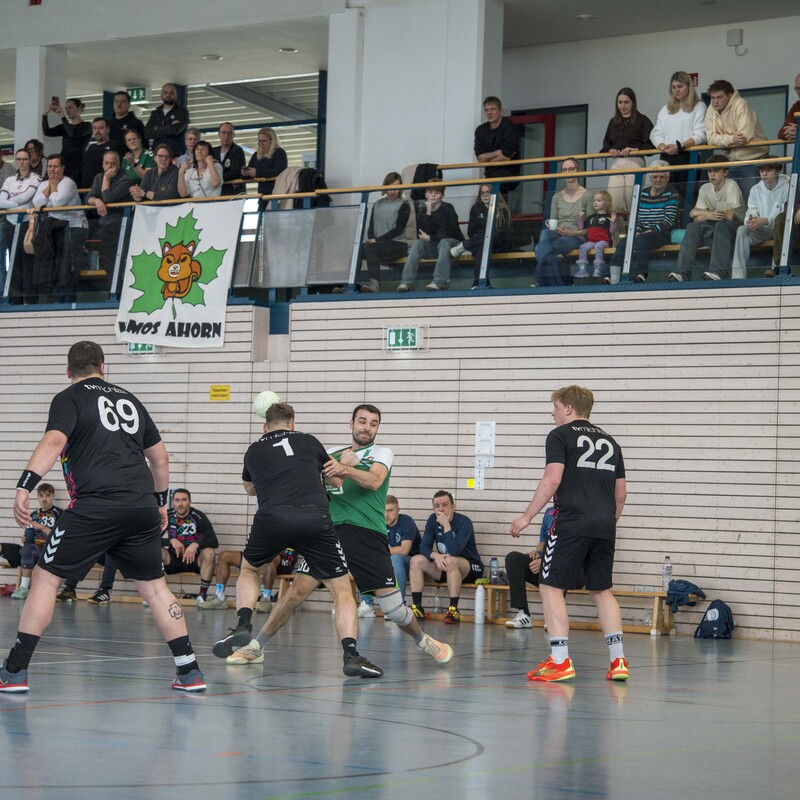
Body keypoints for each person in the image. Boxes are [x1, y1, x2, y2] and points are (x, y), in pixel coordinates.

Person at [0, 340, 205, 693]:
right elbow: (160, 458)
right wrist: (160, 503)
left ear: (69, 371)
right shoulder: (130, 400)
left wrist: (24, 485)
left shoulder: (69, 398)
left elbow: (54, 442)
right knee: (155, 589)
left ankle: (14, 672)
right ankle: (190, 672)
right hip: (141, 507)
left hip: (95, 506)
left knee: (46, 579)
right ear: (103, 367)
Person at [219, 404, 453, 671]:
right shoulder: (328, 453)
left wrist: (343, 468)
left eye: (373, 423)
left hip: (367, 533)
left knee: (394, 610)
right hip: (328, 531)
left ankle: (423, 640)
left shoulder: (381, 453)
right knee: (295, 592)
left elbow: (374, 481)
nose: (367, 427)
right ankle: (255, 647)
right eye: (362, 421)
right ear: (350, 424)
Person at [212, 401, 384, 678]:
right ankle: (351, 654)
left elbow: (249, 489)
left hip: (272, 518)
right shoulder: (309, 441)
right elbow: (337, 482)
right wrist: (341, 465)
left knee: (249, 568)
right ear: (293, 424)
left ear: (264, 427)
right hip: (313, 517)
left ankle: (243, 623)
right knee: (341, 589)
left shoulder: (253, 450)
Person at [510, 385, 628, 683]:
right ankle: (618, 661)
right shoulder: (611, 442)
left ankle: (561, 661)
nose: (552, 413)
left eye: (555, 406)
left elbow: (552, 480)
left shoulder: (560, 435)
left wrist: (527, 516)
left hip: (572, 523)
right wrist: (606, 522)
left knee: (550, 585)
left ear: (568, 408)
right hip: (605, 526)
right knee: (601, 589)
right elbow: (621, 494)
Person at [408, 491, 483, 623]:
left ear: (453, 506)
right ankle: (417, 608)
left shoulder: (464, 522)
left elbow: (454, 550)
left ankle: (453, 610)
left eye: (445, 505)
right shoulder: (432, 520)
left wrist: (446, 525)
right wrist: (436, 556)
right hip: (445, 566)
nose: (441, 509)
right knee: (416, 560)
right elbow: (424, 547)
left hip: (471, 567)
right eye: (437, 506)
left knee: (451, 560)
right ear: (433, 508)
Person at [669, 154, 745, 282]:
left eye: (716, 171)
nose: (712, 174)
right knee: (692, 227)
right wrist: (708, 214)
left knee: (722, 224)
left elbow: (728, 216)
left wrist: (701, 213)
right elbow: (695, 218)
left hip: (736, 227)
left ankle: (719, 272)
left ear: (725, 172)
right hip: (714, 224)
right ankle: (682, 273)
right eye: (709, 171)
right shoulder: (705, 188)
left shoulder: (731, 185)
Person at [608, 161, 680, 283]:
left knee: (641, 239)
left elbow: (669, 220)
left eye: (662, 177)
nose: (658, 180)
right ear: (650, 178)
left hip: (661, 234)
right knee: (624, 242)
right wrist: (637, 231)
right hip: (642, 232)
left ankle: (641, 274)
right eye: (655, 177)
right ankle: (611, 277)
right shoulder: (643, 193)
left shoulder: (672, 193)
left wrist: (648, 231)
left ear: (668, 178)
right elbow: (637, 218)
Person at [29, 153, 88, 301]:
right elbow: (37, 203)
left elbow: (57, 204)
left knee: (68, 267)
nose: (52, 170)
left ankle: (69, 302)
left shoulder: (68, 183)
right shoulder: (44, 184)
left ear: (62, 168)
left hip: (74, 227)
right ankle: (58, 301)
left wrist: (53, 186)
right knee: (55, 267)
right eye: (50, 166)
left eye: (55, 166)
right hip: (55, 229)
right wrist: (50, 186)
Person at [533, 158, 593, 287]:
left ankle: (542, 282)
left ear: (578, 170)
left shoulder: (587, 195)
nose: (568, 172)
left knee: (539, 248)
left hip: (576, 236)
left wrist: (572, 233)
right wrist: (556, 228)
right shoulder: (557, 197)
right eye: (565, 170)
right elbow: (552, 223)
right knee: (545, 233)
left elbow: (593, 228)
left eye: (571, 169)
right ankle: (560, 283)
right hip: (558, 233)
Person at [705, 79, 768, 197]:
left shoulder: (740, 104)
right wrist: (731, 139)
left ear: (729, 96)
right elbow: (710, 138)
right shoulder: (710, 109)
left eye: (719, 97)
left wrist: (723, 141)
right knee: (733, 202)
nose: (715, 102)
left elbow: (743, 137)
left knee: (752, 200)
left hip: (752, 161)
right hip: (730, 162)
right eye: (713, 98)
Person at [0, 483, 63, 600]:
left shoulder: (59, 514)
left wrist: (42, 527)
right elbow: (28, 537)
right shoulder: (33, 515)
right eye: (41, 496)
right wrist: (24, 538)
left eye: (48, 495)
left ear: (53, 496)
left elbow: (61, 537)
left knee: (27, 550)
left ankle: (23, 588)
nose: (44, 499)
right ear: (37, 497)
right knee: (5, 548)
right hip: (31, 550)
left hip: (48, 551)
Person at [398, 181, 463, 291]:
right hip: (435, 246)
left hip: (453, 245)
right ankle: (407, 282)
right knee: (418, 243)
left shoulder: (448, 208)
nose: (433, 195)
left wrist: (430, 238)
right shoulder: (423, 210)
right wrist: (428, 212)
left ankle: (440, 282)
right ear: (426, 194)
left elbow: (450, 232)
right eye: (430, 192)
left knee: (444, 242)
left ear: (442, 195)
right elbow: (422, 234)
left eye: (437, 193)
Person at [651, 72, 707, 197]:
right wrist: (662, 146)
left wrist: (680, 146)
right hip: (666, 157)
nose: (676, 90)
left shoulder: (699, 106)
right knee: (666, 196)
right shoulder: (666, 109)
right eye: (674, 87)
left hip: (688, 156)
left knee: (686, 197)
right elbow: (656, 132)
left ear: (689, 86)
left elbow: (701, 134)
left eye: (680, 86)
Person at [600, 88, 653, 218]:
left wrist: (636, 149)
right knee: (613, 200)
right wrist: (610, 150)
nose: (622, 106)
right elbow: (606, 144)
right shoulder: (613, 122)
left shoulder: (642, 120)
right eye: (620, 102)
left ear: (633, 103)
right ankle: (617, 229)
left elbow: (652, 145)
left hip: (634, 162)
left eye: (626, 102)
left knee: (631, 198)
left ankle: (633, 227)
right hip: (617, 163)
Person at [731, 163, 790, 279]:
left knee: (781, 225)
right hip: (762, 229)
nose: (764, 174)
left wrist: (765, 220)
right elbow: (750, 211)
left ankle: (775, 270)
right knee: (742, 230)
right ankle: (738, 276)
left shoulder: (787, 188)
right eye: (761, 171)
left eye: (768, 170)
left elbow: (785, 216)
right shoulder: (755, 189)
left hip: (780, 228)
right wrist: (750, 221)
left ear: (777, 171)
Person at [162, 488, 219, 606]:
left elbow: (214, 541)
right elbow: (150, 539)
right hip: (173, 560)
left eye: (184, 500)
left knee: (210, 552)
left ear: (190, 502)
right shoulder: (166, 516)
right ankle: (158, 594)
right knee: (154, 551)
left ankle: (202, 595)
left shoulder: (198, 516)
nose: (180, 503)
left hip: (195, 560)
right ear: (173, 502)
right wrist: (171, 541)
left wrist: (196, 544)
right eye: (177, 500)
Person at [354, 171, 409, 293]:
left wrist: (377, 241)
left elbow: (398, 229)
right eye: (390, 187)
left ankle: (375, 284)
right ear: (385, 186)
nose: (393, 191)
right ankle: (351, 284)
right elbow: (371, 226)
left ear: (401, 188)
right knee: (357, 249)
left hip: (398, 244)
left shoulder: (404, 204)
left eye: (396, 187)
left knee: (371, 248)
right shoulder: (377, 204)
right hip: (378, 245)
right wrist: (372, 239)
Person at [450, 184, 512, 288]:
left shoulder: (502, 209)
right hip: (481, 243)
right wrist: (483, 238)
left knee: (489, 238)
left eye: (488, 192)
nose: (485, 195)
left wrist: (486, 237)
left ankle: (465, 245)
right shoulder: (476, 208)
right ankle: (483, 283)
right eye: (482, 193)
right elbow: (471, 231)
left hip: (499, 245)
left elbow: (503, 232)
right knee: (482, 246)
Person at [0, 150, 41, 296]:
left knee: (28, 261)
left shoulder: (35, 178)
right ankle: (16, 300)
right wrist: (17, 204)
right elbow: (1, 201)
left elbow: (27, 197)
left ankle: (30, 300)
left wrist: (10, 202)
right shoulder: (10, 180)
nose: (21, 162)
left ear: (30, 160)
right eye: (18, 159)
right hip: (11, 223)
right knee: (14, 262)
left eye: (24, 159)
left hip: (27, 224)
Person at [504, 506, 553, 628]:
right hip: (547, 565)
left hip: (572, 570)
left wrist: (545, 562)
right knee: (513, 559)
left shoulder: (578, 512)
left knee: (562, 571)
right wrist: (538, 554)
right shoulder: (550, 512)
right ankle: (524, 613)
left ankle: (554, 619)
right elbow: (542, 541)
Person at [85, 150, 133, 271]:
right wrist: (96, 201)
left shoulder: (125, 180)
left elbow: (107, 198)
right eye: (107, 163)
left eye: (113, 163)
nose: (109, 166)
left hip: (119, 225)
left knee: (116, 261)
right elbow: (88, 198)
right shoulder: (98, 177)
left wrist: (106, 179)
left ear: (119, 164)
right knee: (107, 260)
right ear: (103, 164)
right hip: (104, 225)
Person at [473, 96, 520, 195]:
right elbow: (480, 159)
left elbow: (506, 157)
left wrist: (487, 160)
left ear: (500, 111)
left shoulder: (509, 127)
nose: (489, 113)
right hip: (489, 175)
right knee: (483, 196)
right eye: (487, 110)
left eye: (493, 109)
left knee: (493, 190)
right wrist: (496, 153)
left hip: (509, 174)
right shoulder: (480, 130)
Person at [41, 97, 92, 187]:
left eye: (70, 107)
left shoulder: (87, 126)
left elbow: (72, 134)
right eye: (66, 108)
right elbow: (47, 132)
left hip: (77, 165)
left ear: (79, 108)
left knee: (73, 188)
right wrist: (45, 114)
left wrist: (62, 117)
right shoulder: (64, 127)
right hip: (64, 162)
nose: (68, 110)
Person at [385, 495, 420, 604]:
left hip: (412, 565)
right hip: (389, 562)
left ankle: (399, 604)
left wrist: (382, 551)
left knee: (396, 559)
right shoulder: (379, 523)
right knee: (366, 558)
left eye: (390, 510)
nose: (386, 515)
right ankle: (367, 604)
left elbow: (404, 550)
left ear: (398, 510)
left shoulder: (406, 522)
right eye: (383, 510)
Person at [574, 190, 617, 279]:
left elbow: (612, 231)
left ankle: (598, 269)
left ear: (606, 203)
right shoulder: (591, 217)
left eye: (599, 200)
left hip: (605, 241)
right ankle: (582, 269)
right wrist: (579, 220)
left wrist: (613, 222)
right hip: (591, 241)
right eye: (594, 200)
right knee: (583, 247)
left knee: (598, 246)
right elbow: (581, 228)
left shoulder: (609, 217)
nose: (595, 203)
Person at [242, 127, 287, 208]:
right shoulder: (256, 155)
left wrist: (257, 172)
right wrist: (245, 173)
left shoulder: (279, 153)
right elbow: (250, 169)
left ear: (272, 141)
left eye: (264, 141)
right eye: (259, 141)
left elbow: (279, 171)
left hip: (276, 193)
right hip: (262, 196)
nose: (261, 144)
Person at [144, 83, 190, 157]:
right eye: (165, 92)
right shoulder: (155, 113)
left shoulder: (182, 112)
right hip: (157, 154)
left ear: (176, 95)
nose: (168, 95)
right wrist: (169, 127)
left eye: (171, 93)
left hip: (176, 154)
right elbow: (147, 133)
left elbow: (175, 130)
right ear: (161, 95)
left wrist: (156, 128)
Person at [81, 118, 125, 190]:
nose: (97, 131)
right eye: (95, 128)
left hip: (106, 188)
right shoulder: (91, 147)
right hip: (87, 189)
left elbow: (119, 168)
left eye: (101, 128)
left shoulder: (115, 146)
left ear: (108, 129)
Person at [212, 122, 246, 196]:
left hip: (233, 193)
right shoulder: (213, 151)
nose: (226, 136)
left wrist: (217, 178)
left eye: (229, 133)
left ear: (233, 135)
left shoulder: (237, 151)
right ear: (219, 134)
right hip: (217, 193)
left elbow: (235, 172)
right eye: (224, 132)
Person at [777, 73, 800, 142]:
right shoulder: (797, 106)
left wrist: (798, 131)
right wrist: (791, 131)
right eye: (797, 88)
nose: (799, 92)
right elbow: (781, 134)